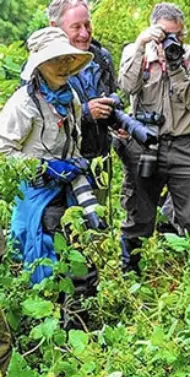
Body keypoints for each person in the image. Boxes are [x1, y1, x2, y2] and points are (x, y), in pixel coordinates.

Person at [0, 27, 99, 328]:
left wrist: (76, 165)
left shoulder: (72, 99)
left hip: (68, 191)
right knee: (45, 260)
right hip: (36, 194)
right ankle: (51, 328)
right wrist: (44, 166)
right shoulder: (23, 103)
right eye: (55, 60)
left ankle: (79, 324)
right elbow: (3, 150)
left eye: (67, 59)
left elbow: (74, 142)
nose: (63, 66)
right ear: (39, 65)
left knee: (81, 255)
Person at [118, 2, 190, 275]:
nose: (173, 40)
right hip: (146, 143)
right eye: (166, 34)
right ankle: (130, 272)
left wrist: (176, 66)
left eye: (178, 35)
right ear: (154, 30)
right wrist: (141, 45)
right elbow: (126, 87)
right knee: (140, 215)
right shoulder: (137, 53)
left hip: (183, 142)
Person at [48, 0, 118, 168]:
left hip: (99, 161)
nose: (85, 34)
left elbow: (111, 92)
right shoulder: (44, 65)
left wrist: (115, 118)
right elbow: (41, 122)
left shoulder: (101, 57)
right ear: (54, 26)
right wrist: (85, 112)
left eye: (87, 25)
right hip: (61, 165)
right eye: (76, 27)